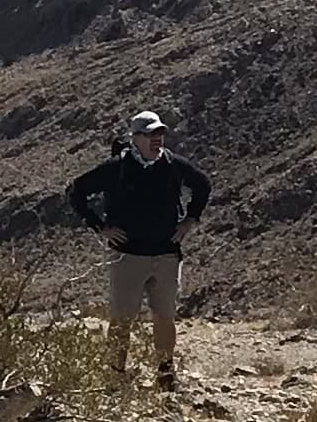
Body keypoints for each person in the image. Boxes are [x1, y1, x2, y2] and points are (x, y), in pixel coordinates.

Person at [68, 110, 211, 391]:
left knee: (165, 315)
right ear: (135, 138)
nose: (157, 139)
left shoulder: (172, 165)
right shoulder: (117, 168)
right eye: (150, 135)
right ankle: (115, 375)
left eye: (160, 134)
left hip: (166, 254)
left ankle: (166, 374)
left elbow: (203, 185)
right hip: (128, 255)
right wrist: (99, 227)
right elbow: (76, 191)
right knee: (122, 319)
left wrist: (190, 220)